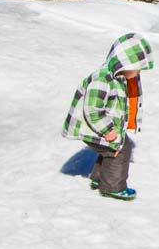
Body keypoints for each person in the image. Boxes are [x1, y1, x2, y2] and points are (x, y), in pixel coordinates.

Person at [62, 33, 154, 201]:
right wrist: (107, 130)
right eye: (136, 68)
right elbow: (92, 110)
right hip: (92, 125)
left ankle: (99, 178)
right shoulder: (102, 80)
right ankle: (112, 187)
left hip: (100, 125)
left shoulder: (119, 78)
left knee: (110, 148)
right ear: (123, 63)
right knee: (119, 150)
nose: (138, 72)